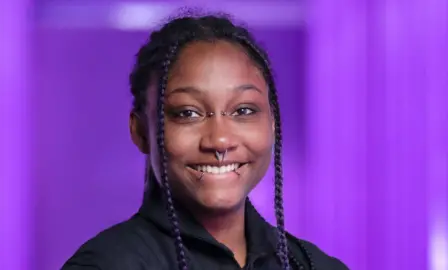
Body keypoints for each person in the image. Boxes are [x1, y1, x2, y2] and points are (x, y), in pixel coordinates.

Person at [62, 13, 349, 270]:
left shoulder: (313, 265)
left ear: (273, 123)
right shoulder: (106, 264)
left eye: (243, 110)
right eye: (187, 113)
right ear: (140, 132)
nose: (220, 140)